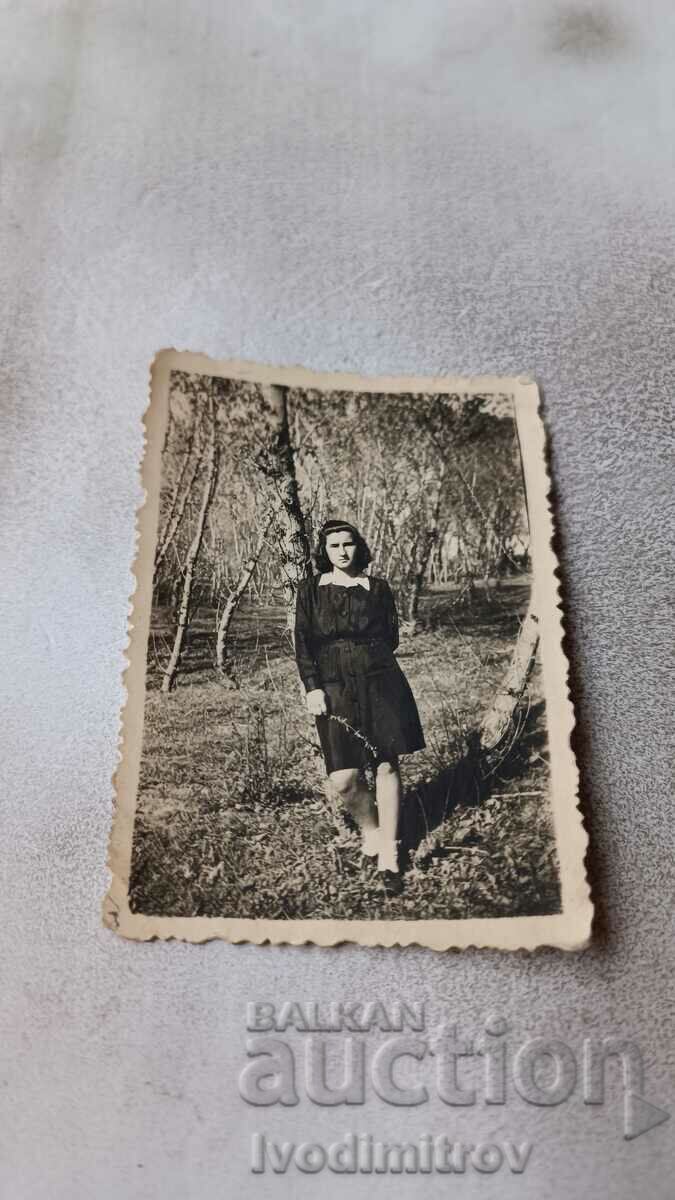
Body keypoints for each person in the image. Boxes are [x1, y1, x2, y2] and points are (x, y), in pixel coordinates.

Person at [294, 519, 426, 894]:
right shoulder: (312, 590)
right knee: (345, 778)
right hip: (333, 686)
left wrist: (368, 661)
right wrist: (313, 687)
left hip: (381, 681)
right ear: (325, 551)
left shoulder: (378, 588)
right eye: (334, 545)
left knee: (386, 763)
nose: (342, 551)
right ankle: (371, 831)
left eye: (348, 544)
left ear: (358, 546)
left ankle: (389, 853)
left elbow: (391, 637)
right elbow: (302, 643)